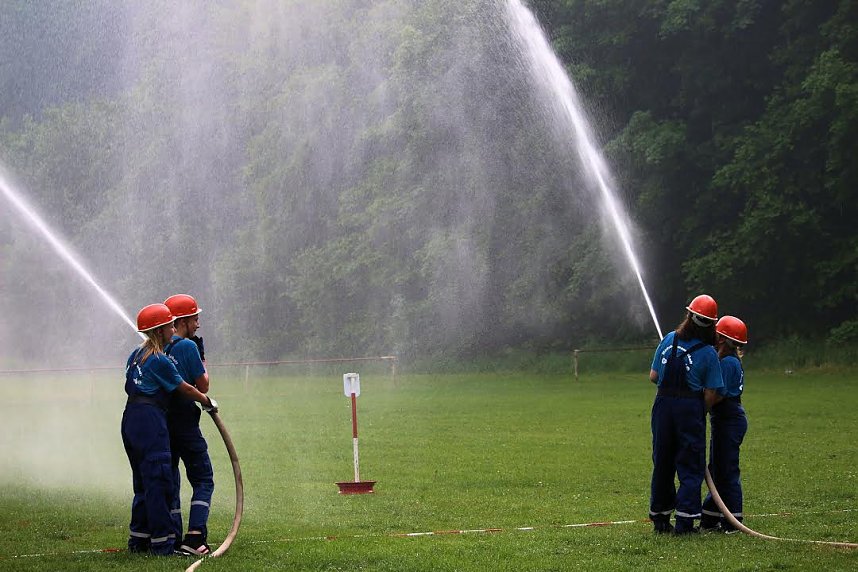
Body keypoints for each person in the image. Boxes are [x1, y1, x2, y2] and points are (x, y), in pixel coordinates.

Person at [122, 303, 218, 556]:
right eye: (169, 324)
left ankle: (140, 539)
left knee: (145, 481)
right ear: (163, 328)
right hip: (151, 421)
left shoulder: (136, 355)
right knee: (158, 481)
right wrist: (207, 402)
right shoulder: (160, 359)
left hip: (131, 419)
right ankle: (163, 544)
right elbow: (186, 388)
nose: (172, 328)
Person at [648, 294, 724, 534]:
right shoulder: (709, 353)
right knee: (690, 465)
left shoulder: (669, 339)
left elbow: (653, 377)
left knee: (662, 463)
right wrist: (698, 411)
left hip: (662, 407)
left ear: (689, 315)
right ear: (712, 324)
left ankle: (660, 519)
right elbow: (712, 393)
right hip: (689, 409)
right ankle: (685, 522)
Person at [163, 294, 214, 556]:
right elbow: (203, 385)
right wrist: (201, 356)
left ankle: (170, 537)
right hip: (185, 421)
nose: (198, 324)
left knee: (171, 478)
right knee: (204, 478)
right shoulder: (188, 347)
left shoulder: (159, 347)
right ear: (181, 321)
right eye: (195, 318)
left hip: (163, 422)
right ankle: (195, 538)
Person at [701, 315, 749, 532]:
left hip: (729, 420)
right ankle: (710, 518)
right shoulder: (725, 360)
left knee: (726, 470)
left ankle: (733, 521)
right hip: (723, 420)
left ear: (721, 338)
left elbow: (717, 395)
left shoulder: (728, 363)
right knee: (717, 469)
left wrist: (696, 407)